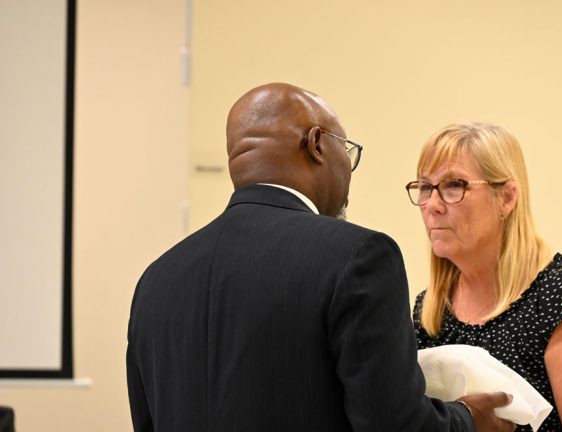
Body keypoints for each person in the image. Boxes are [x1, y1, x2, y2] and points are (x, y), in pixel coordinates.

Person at [126, 83, 515, 431]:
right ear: (316, 145)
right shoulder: (357, 257)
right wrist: (467, 419)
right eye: (346, 151)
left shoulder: (155, 281)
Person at [406, 122, 562, 431]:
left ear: (506, 198)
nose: (432, 206)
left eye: (454, 185)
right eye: (426, 187)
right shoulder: (430, 308)